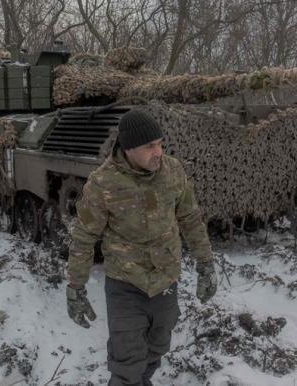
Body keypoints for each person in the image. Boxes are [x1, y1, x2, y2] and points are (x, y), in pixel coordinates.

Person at [66, 108, 217, 386]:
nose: (158, 152)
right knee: (127, 362)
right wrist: (76, 287)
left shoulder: (172, 171)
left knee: (158, 347)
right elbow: (84, 236)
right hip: (125, 284)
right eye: (150, 146)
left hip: (165, 279)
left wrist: (206, 264)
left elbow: (191, 218)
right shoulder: (103, 183)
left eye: (160, 143)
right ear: (128, 148)